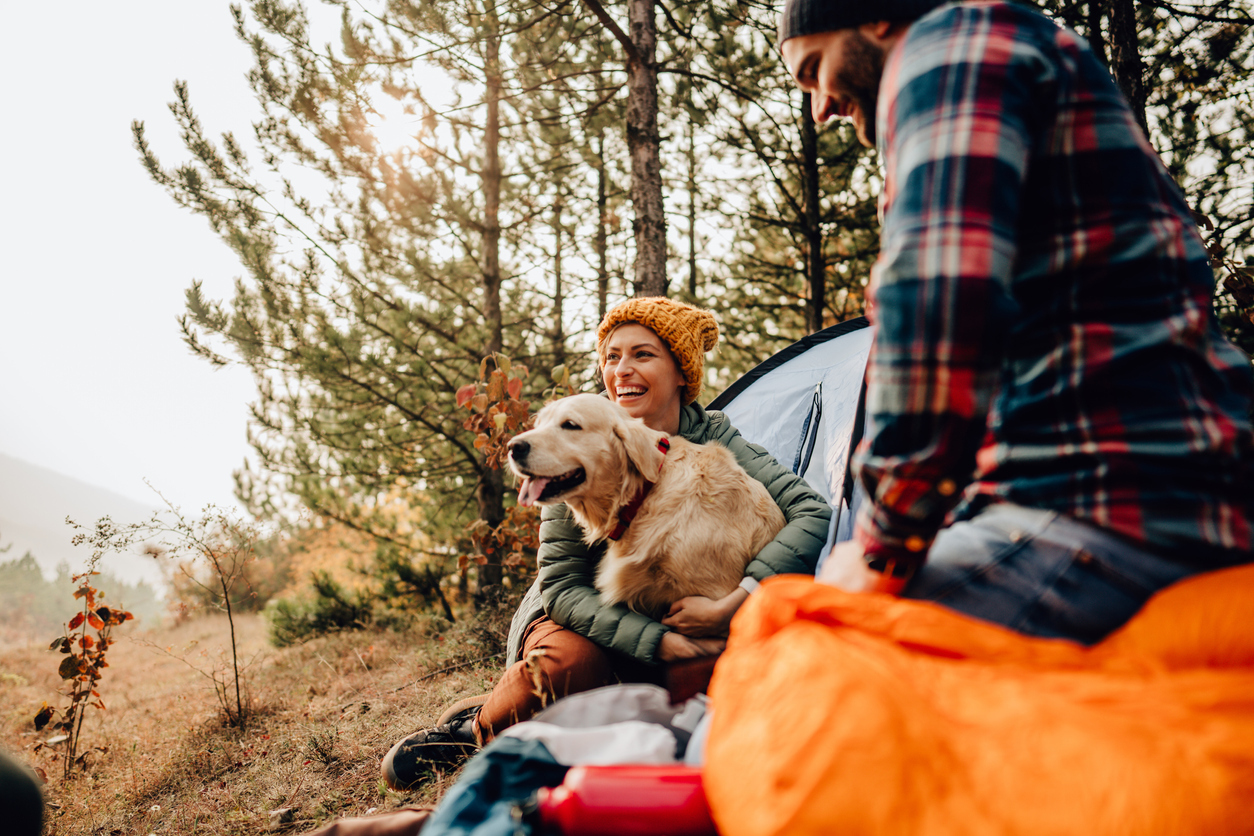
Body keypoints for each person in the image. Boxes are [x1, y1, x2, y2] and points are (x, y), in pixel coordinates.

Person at [778, 0, 1254, 642]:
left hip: (1104, 506)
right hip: (1162, 488)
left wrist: (879, 548)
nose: (820, 108)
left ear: (878, 18)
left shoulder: (947, 47)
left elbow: (938, 299)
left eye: (814, 70)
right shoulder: (1012, 51)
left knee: (803, 645)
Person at [381, 297, 832, 788]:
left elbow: (812, 513)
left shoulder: (717, 439)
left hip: (689, 616)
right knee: (570, 667)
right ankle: (474, 733)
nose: (623, 370)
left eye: (643, 355)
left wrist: (737, 600)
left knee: (708, 691)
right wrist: (657, 643)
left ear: (680, 371)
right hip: (586, 617)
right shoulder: (572, 443)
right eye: (612, 357)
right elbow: (562, 585)